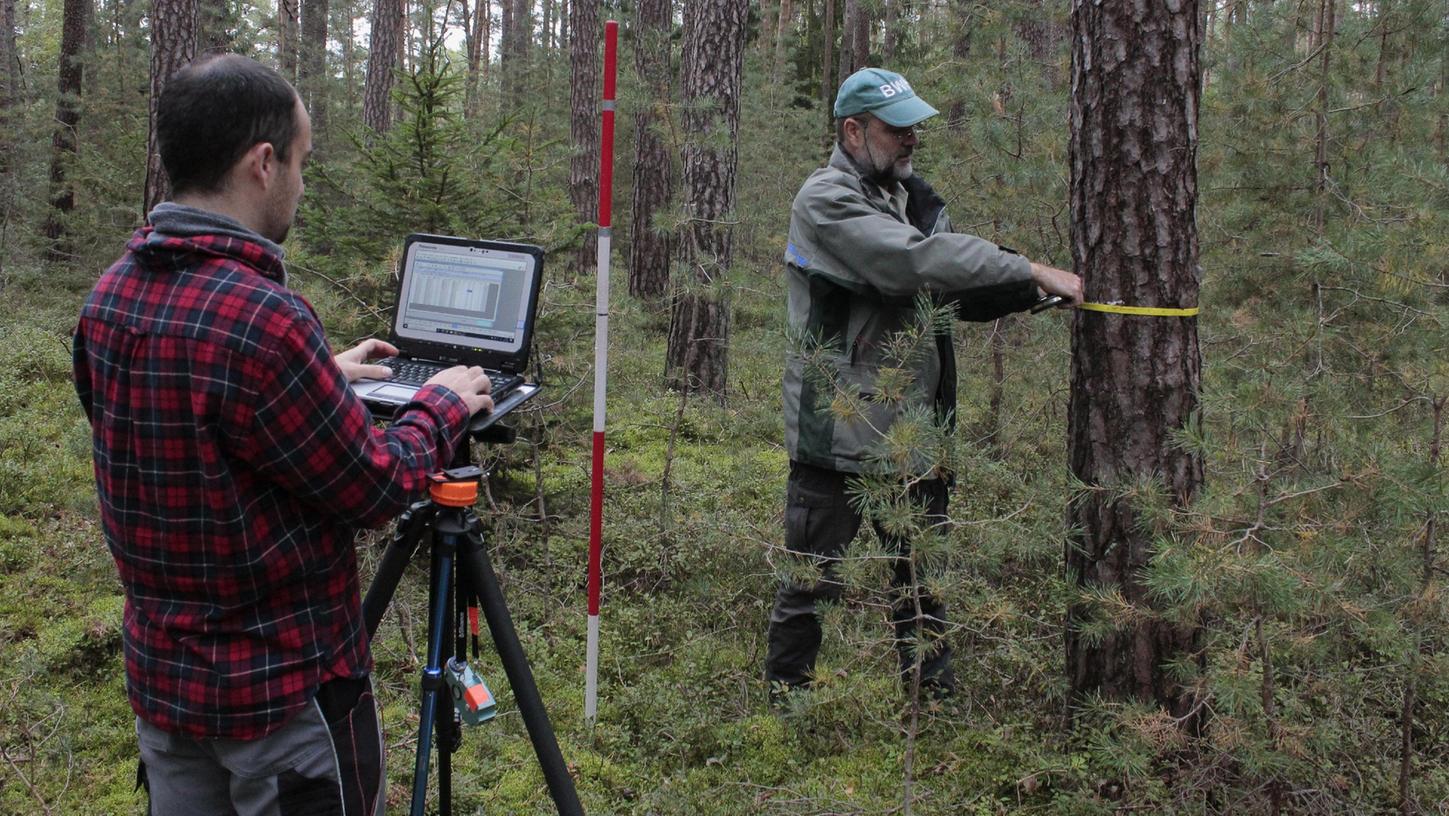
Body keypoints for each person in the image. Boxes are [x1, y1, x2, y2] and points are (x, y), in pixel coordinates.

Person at [72, 54, 494, 815]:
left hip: (166, 691)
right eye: (301, 161)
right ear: (262, 164)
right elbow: (377, 486)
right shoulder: (263, 320)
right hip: (280, 697)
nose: (301, 181)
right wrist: (440, 404)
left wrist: (317, 373)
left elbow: (175, 417)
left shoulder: (112, 294)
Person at [769, 67, 1082, 700]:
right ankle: (786, 708)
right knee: (810, 585)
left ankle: (930, 711)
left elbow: (945, 297)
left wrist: (1028, 292)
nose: (912, 139)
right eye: (897, 128)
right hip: (838, 435)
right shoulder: (826, 201)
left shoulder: (907, 198)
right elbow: (913, 264)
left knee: (921, 588)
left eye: (916, 128)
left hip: (912, 436)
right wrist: (1030, 265)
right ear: (853, 131)